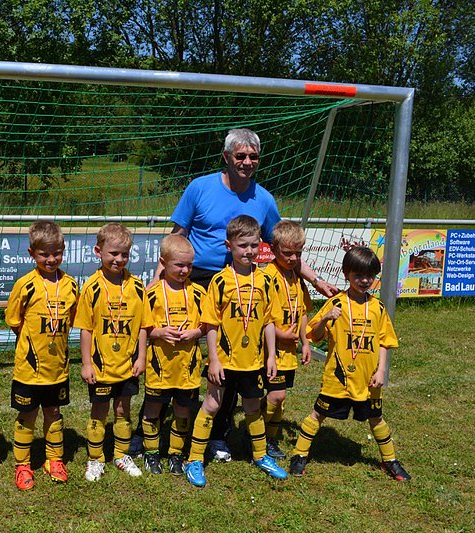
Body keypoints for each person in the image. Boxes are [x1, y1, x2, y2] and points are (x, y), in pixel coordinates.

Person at [144, 127, 338, 464]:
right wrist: (156, 280)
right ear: (226, 157)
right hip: (194, 279)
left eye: (253, 157)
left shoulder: (264, 199)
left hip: (242, 285)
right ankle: (151, 428)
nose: (247, 162)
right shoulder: (199, 188)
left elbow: (284, 246)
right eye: (240, 156)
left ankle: (217, 434)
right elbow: (177, 236)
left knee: (234, 359)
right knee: (172, 349)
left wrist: (316, 280)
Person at [289, 247, 411, 481]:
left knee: (376, 418)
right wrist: (325, 318)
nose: (365, 281)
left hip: (368, 378)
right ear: (346, 275)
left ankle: (390, 460)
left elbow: (385, 341)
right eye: (358, 275)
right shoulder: (336, 303)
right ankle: (299, 455)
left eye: (370, 276)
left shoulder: (377, 308)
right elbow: (314, 335)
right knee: (318, 414)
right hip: (338, 378)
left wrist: (381, 370)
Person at [183, 215, 288, 487]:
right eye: (243, 245)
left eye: (254, 245)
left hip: (253, 361)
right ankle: (194, 459)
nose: (249, 251)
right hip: (224, 361)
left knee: (252, 407)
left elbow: (269, 322)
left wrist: (271, 356)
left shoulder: (265, 281)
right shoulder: (220, 281)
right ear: (228, 246)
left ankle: (260, 455)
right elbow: (211, 324)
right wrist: (213, 360)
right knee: (212, 405)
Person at [6, 221, 79, 490]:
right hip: (29, 368)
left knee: (54, 411)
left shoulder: (71, 285)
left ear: (63, 250)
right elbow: (15, 322)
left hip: (57, 368)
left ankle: (54, 459)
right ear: (31, 253)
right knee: (27, 415)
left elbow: (72, 319)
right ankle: (22, 464)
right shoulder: (25, 285)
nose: (51, 259)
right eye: (44, 254)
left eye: (56, 253)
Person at [74, 223, 147, 482]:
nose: (119, 259)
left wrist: (141, 357)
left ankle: (120, 455)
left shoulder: (137, 287)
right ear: (98, 252)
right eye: (113, 253)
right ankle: (95, 458)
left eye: (124, 254)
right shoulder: (92, 287)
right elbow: (85, 329)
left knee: (123, 410)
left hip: (128, 364)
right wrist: (86, 364)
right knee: (99, 412)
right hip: (101, 365)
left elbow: (143, 326)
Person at [140, 234, 207, 476]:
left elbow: (208, 325)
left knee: (182, 411)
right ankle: (151, 453)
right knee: (153, 409)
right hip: (159, 365)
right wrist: (159, 332)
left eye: (189, 265)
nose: (184, 270)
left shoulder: (198, 292)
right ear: (163, 263)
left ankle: (176, 453)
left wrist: (195, 333)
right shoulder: (151, 294)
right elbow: (143, 328)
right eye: (179, 265)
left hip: (187, 367)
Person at [260, 220, 313, 458]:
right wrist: (281, 334)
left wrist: (305, 342)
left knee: (280, 398)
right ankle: (257, 434)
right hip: (271, 349)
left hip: (289, 352)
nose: (293, 258)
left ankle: (268, 437)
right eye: (288, 253)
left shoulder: (296, 277)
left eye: (298, 253)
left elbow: (303, 311)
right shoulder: (267, 276)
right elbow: (261, 316)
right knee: (276, 395)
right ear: (273, 249)